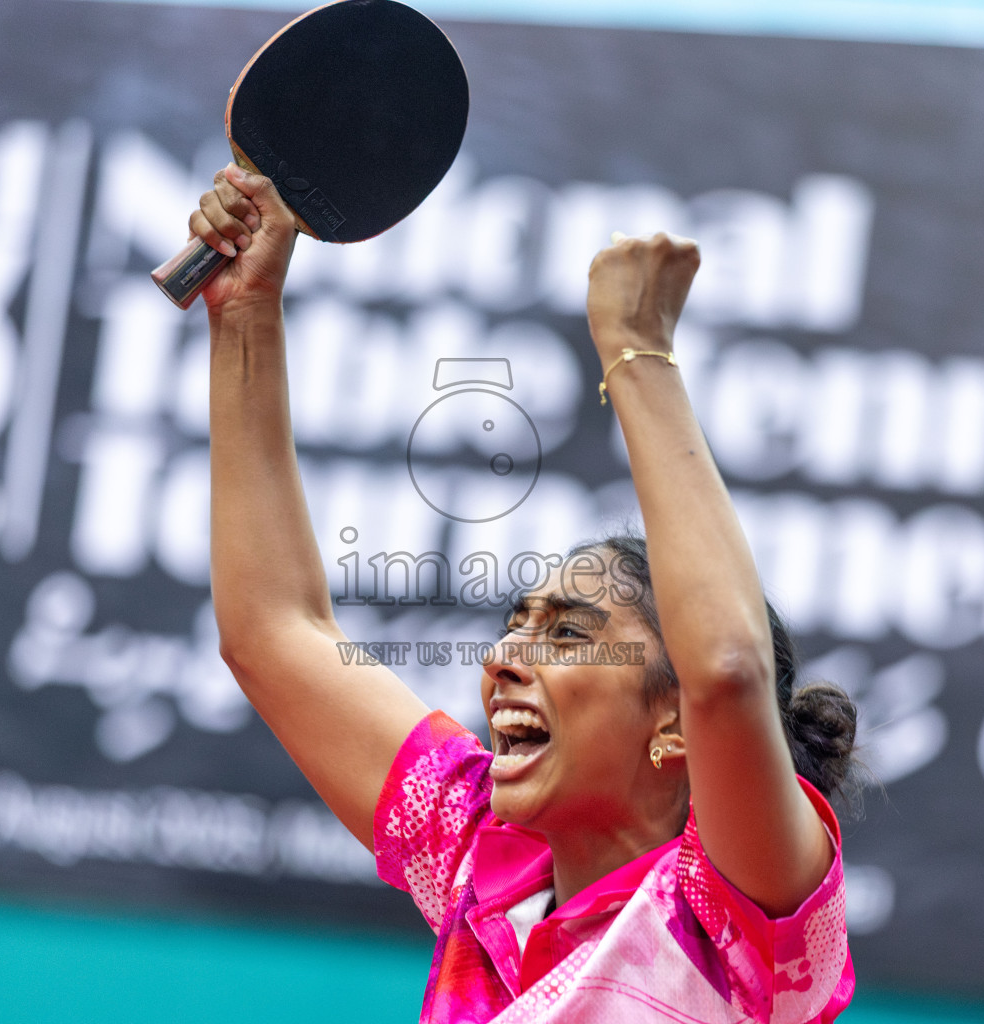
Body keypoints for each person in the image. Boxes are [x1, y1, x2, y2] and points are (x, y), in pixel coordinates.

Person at [190, 162, 859, 1023]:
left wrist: (637, 349)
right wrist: (244, 314)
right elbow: (273, 632)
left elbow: (728, 672)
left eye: (570, 638)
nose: (503, 659)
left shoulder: (742, 918)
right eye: (517, 627)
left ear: (675, 726)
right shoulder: (482, 868)